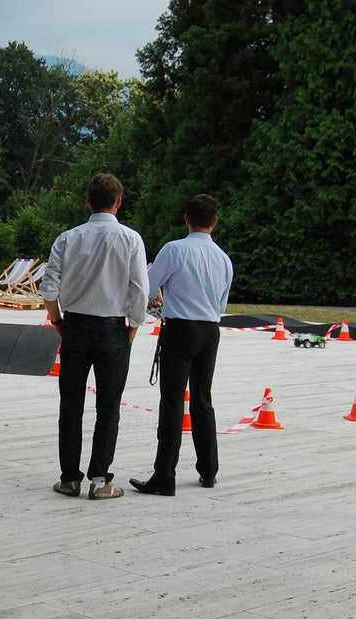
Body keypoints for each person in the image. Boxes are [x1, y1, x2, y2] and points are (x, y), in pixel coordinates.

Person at [40, 173, 149, 501]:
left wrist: (57, 320)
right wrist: (134, 326)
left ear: (87, 201)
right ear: (119, 202)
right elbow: (140, 289)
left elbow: (48, 287)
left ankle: (69, 478)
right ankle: (100, 480)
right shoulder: (131, 239)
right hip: (114, 329)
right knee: (109, 407)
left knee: (71, 404)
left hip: (74, 326)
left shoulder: (68, 238)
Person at [129, 194, 233, 496]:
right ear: (214, 222)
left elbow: (147, 287)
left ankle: (165, 474)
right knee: (202, 399)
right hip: (210, 331)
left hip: (180, 329)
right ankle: (208, 469)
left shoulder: (175, 250)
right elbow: (221, 302)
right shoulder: (223, 259)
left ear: (186, 218)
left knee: (173, 402)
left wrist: (160, 296)